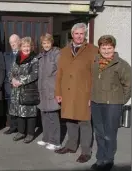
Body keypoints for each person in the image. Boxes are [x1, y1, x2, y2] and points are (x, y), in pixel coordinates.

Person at [54, 23, 98, 163]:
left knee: (85, 122)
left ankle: (86, 151)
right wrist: (58, 92)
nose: (79, 36)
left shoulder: (93, 50)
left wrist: (92, 95)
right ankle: (71, 145)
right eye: (76, 33)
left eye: (81, 33)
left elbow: (95, 74)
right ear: (72, 34)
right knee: (70, 120)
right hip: (67, 92)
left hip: (83, 93)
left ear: (84, 34)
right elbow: (59, 73)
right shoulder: (64, 51)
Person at [90, 35, 131, 171]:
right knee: (99, 133)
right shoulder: (95, 62)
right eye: (103, 48)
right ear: (99, 48)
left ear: (114, 48)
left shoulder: (121, 64)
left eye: (109, 48)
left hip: (113, 105)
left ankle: (108, 160)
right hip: (96, 102)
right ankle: (100, 159)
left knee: (109, 134)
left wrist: (120, 101)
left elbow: (128, 85)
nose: (106, 51)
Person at [9, 36, 39, 144]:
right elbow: (11, 71)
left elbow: (34, 74)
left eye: (28, 46)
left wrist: (20, 81)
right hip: (17, 91)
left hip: (28, 90)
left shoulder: (34, 59)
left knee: (30, 113)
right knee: (19, 112)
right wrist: (12, 79)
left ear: (31, 47)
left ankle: (30, 133)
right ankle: (21, 132)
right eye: (24, 46)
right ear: (20, 47)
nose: (26, 48)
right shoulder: (17, 57)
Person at [36, 33, 61, 150]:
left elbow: (61, 73)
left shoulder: (57, 54)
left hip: (52, 89)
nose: (46, 45)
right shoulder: (40, 56)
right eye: (44, 43)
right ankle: (46, 138)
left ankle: (55, 142)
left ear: (52, 42)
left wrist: (59, 90)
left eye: (48, 42)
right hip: (42, 90)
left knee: (53, 116)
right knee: (44, 115)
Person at [3, 34, 20, 135]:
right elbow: (4, 71)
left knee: (20, 107)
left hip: (20, 86)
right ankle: (13, 127)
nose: (13, 44)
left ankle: (21, 128)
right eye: (11, 42)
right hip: (9, 86)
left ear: (19, 42)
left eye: (15, 41)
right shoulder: (6, 55)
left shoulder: (23, 53)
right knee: (11, 107)